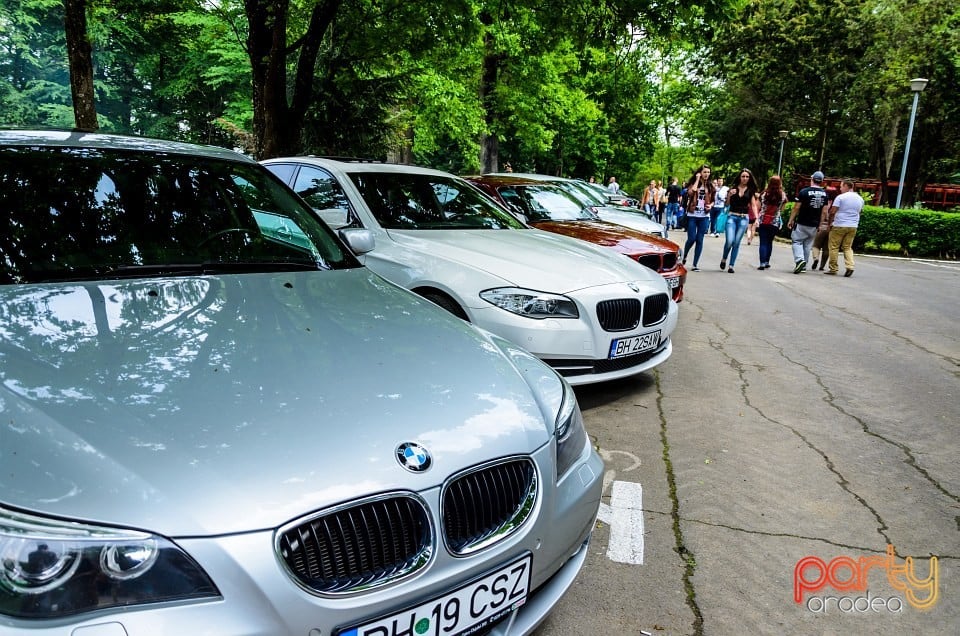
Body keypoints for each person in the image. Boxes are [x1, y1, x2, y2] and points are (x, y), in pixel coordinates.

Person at [787, 170, 829, 273]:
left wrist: (791, 220)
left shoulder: (804, 191)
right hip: (814, 225)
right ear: (822, 181)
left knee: (797, 241)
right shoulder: (825, 194)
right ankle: (804, 266)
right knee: (807, 245)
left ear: (812, 179)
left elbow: (796, 207)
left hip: (802, 222)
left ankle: (799, 260)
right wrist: (820, 224)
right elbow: (824, 211)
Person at [720, 168, 759, 273]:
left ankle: (731, 265)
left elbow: (753, 205)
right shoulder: (733, 189)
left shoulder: (750, 191)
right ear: (739, 177)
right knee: (729, 241)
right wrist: (729, 195)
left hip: (743, 218)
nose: (745, 178)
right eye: (743, 176)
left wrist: (756, 218)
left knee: (736, 242)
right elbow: (726, 204)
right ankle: (724, 258)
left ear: (749, 178)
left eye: (747, 177)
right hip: (732, 217)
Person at [823, 178, 864, 276]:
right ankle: (850, 266)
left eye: (841, 186)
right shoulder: (860, 198)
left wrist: (829, 224)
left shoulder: (840, 197)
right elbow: (860, 212)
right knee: (847, 247)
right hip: (853, 226)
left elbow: (833, 212)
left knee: (833, 247)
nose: (840, 188)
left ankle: (833, 268)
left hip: (839, 225)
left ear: (846, 186)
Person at [681, 165, 715, 271]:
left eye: (708, 172)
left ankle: (695, 264)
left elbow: (713, 200)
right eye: (704, 172)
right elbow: (691, 193)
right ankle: (685, 255)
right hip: (692, 215)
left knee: (700, 240)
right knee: (691, 239)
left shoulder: (710, 186)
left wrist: (711, 205)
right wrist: (697, 179)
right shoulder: (693, 184)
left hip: (704, 216)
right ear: (700, 173)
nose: (706, 174)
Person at [756, 175, 787, 270]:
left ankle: (761, 263)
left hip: (763, 220)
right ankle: (766, 262)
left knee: (763, 242)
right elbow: (782, 208)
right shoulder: (782, 195)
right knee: (769, 242)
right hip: (774, 221)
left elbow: (758, 206)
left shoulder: (764, 194)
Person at [810, 185, 839, 270]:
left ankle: (816, 258)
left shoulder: (824, 202)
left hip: (822, 226)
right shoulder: (837, 204)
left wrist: (820, 223)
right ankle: (822, 266)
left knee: (816, 245)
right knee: (826, 248)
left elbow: (823, 213)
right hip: (832, 227)